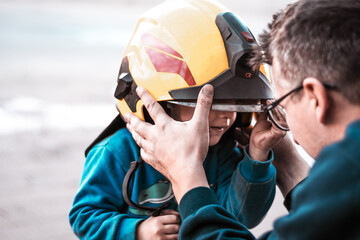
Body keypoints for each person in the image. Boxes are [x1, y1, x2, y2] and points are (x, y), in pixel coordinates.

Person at [125, 0, 360, 239]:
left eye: (283, 104)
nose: (294, 138)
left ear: (316, 99)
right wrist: (287, 162)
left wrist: (185, 173)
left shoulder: (347, 175)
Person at [69, 0, 288, 239]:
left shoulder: (223, 150)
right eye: (210, 104)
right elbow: (84, 216)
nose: (227, 115)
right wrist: (138, 231)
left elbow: (242, 217)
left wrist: (257, 156)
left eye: (235, 105)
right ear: (159, 103)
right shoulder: (116, 151)